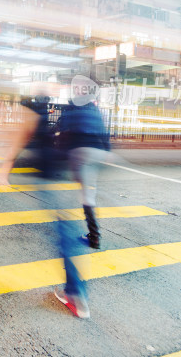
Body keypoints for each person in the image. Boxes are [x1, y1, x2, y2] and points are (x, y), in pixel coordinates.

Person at [0, 94, 91, 319]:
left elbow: (19, 142)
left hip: (51, 178)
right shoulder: (47, 118)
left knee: (64, 236)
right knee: (66, 232)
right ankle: (76, 291)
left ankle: (76, 295)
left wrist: (3, 171)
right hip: (62, 174)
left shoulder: (31, 117)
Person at [57, 87, 110, 250]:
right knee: (88, 189)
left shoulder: (72, 107)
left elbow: (62, 127)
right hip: (96, 151)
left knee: (84, 191)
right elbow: (103, 132)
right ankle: (93, 235)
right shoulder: (94, 109)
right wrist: (107, 150)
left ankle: (94, 237)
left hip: (79, 151)